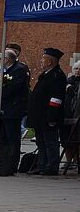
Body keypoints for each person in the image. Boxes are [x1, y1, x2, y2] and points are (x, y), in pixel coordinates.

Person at [27, 47, 67, 176]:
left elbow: (56, 98)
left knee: (50, 142)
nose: (41, 61)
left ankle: (51, 166)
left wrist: (52, 116)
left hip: (48, 115)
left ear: (50, 61)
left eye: (43, 59)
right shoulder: (45, 75)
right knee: (41, 141)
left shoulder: (57, 76)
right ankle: (41, 164)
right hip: (39, 115)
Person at [0, 47, 29, 176]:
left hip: (12, 109)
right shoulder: (1, 70)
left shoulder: (19, 70)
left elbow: (14, 88)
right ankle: (1, 163)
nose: (0, 60)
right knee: (1, 137)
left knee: (12, 138)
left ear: (7, 59)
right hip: (0, 108)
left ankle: (11, 165)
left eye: (1, 58)